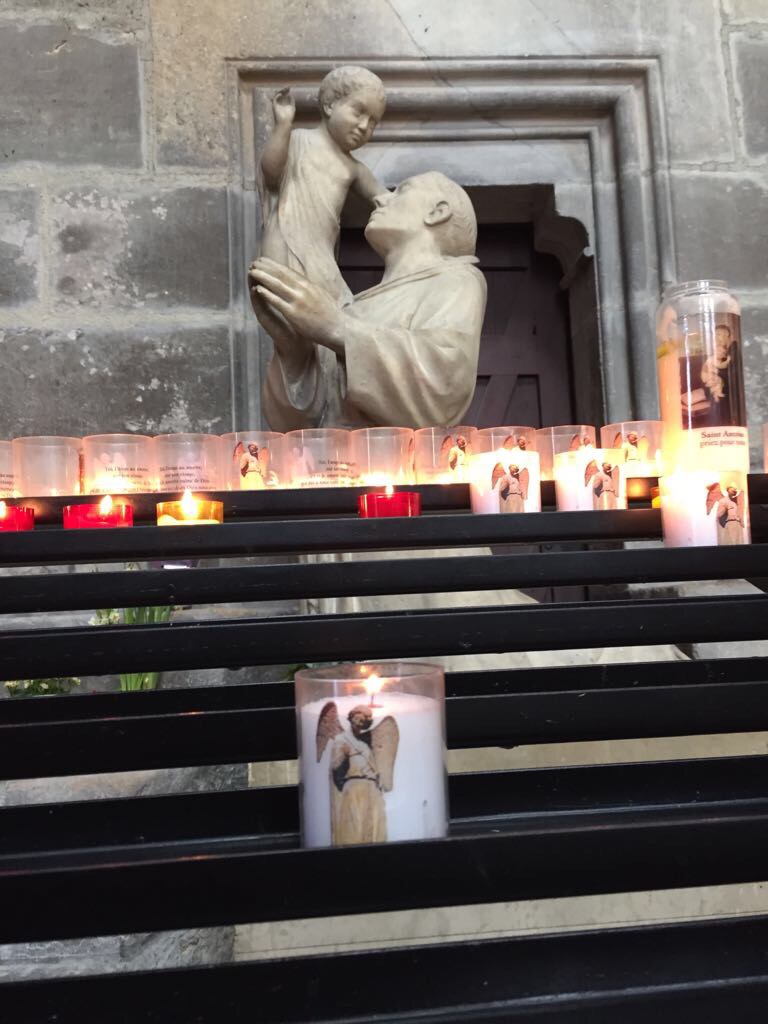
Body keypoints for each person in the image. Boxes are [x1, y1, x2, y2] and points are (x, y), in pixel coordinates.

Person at [249, 171, 487, 430]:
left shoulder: (456, 280)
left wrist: (336, 328)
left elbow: (444, 384)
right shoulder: (355, 309)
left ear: (437, 212)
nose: (380, 199)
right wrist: (293, 349)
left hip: (400, 456)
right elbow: (298, 429)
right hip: (334, 455)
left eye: (401, 190)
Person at [260, 66, 386, 305]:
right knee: (290, 308)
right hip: (285, 241)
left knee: (336, 312)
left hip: (320, 254)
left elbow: (386, 200)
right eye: (358, 112)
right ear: (330, 105)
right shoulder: (298, 140)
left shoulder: (353, 168)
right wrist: (283, 125)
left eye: (373, 122)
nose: (364, 126)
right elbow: (271, 173)